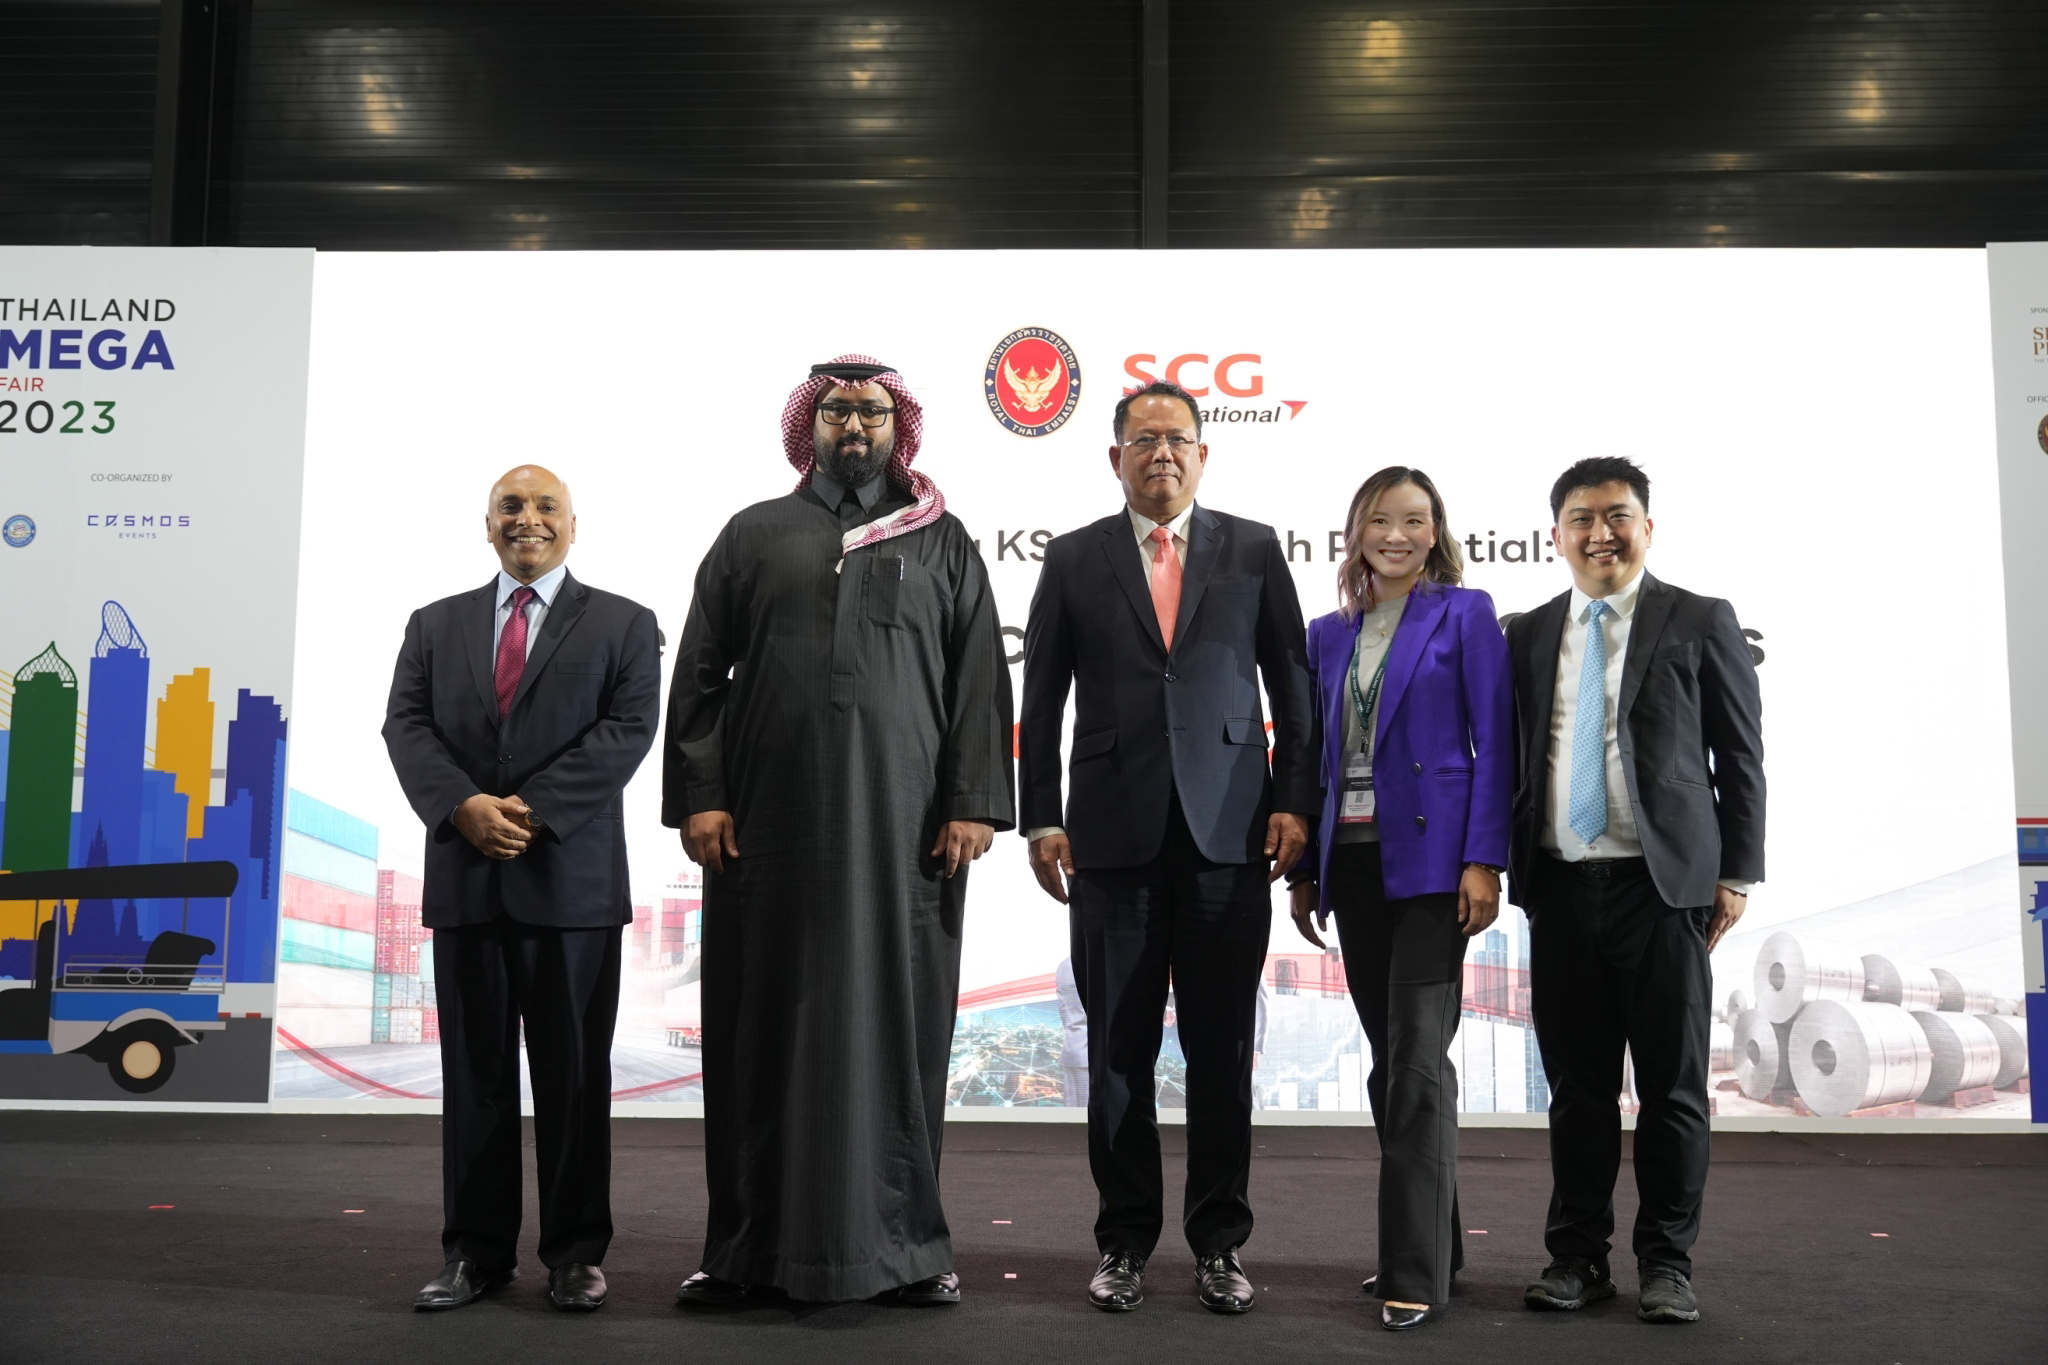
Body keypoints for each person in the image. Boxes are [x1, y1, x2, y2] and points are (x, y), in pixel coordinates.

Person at [662, 354, 1014, 1306]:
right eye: (835, 412)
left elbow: (979, 678)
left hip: (907, 834)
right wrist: (702, 794)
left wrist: (971, 799)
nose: (853, 426)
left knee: (900, 1025)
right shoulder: (752, 533)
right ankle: (745, 1251)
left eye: (870, 411)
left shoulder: (942, 539)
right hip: (765, 831)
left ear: (899, 428)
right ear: (807, 427)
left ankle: (907, 1250)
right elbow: (698, 674)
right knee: (758, 1026)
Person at [1018, 378, 1318, 1315]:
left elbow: (1294, 688)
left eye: (1177, 438)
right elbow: (1041, 697)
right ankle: (1123, 1242)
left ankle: (1220, 1244)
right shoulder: (1074, 557)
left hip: (1231, 835)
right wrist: (1042, 815)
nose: (1162, 453)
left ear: (1202, 453)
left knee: (1222, 1053)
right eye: (1143, 440)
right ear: (1116, 458)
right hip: (1110, 838)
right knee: (1117, 1055)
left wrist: (1294, 803)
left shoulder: (1254, 548)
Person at [383, 465, 660, 1313]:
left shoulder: (624, 623)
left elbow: (628, 729)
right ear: (487, 523)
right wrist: (462, 805)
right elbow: (406, 724)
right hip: (468, 881)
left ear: (573, 525)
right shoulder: (434, 625)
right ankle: (475, 1253)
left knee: (574, 1080)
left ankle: (576, 1255)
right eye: (511, 505)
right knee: (475, 1079)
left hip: (571, 890)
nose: (527, 518)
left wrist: (531, 811)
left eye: (545, 506)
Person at [1505, 456, 1763, 1325]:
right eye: (1581, 518)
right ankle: (1576, 1257)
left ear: (1647, 527)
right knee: (1577, 1092)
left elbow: (1740, 755)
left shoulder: (1700, 618)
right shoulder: (1528, 633)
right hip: (1561, 888)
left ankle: (1667, 1263)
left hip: (1663, 890)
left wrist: (1735, 871)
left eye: (1617, 515)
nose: (1600, 533)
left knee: (1672, 1089)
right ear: (1557, 535)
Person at [1286, 466, 1512, 1331]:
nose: (1397, 535)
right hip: (1352, 865)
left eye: (1415, 520)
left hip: (1433, 866)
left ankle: (1410, 1269)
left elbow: (1495, 742)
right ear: (1357, 532)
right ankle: (1437, 1243)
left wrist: (1483, 858)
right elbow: (1310, 755)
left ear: (1436, 531)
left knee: (1416, 1061)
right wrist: (1305, 872)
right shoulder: (1326, 633)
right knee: (1393, 1065)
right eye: (1382, 519)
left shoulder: (1466, 613)